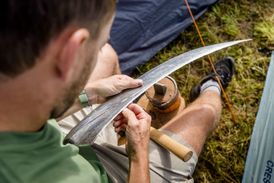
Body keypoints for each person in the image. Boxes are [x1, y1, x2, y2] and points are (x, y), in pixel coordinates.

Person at [0, 1, 235, 183]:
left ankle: (122, 126)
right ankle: (211, 86)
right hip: (113, 173)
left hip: (62, 139)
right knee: (204, 111)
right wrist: (138, 151)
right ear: (68, 53)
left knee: (108, 56)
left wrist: (90, 94)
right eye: (98, 42)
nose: (99, 47)